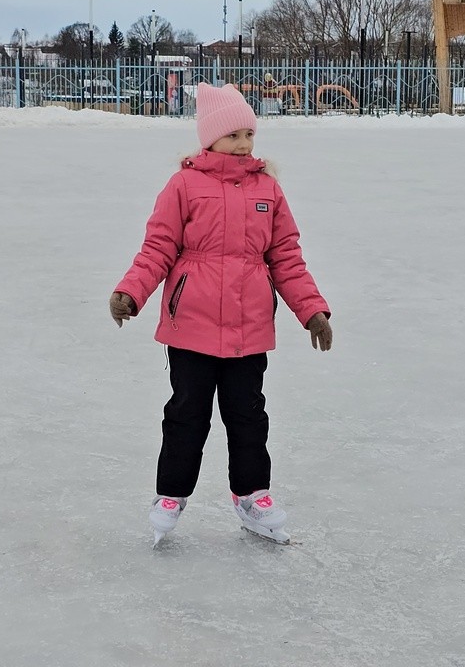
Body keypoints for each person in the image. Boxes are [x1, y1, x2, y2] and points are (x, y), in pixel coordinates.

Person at [109, 82, 333, 545]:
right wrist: (132, 292)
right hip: (189, 328)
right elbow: (158, 248)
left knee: (249, 415)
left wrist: (311, 310)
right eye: (234, 135)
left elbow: (287, 257)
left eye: (249, 133)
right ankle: (170, 494)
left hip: (248, 330)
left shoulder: (268, 189)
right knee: (187, 414)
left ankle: (251, 495)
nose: (244, 144)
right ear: (210, 138)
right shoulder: (184, 185)